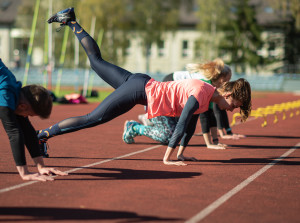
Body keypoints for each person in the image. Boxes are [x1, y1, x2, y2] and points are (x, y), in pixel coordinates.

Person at [38, 7, 251, 166]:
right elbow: (182, 124)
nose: (233, 109)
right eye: (235, 104)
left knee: (96, 62)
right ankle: (42, 135)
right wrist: (168, 158)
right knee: (93, 118)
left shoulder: (206, 98)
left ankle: (71, 20)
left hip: (141, 82)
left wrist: (181, 154)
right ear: (228, 93)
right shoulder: (201, 93)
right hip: (139, 90)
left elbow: (189, 128)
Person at [123, 59, 232, 159]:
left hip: (170, 100)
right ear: (221, 78)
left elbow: (207, 116)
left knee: (176, 129)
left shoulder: (211, 90)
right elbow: (203, 118)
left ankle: (152, 119)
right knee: (169, 136)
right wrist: (209, 144)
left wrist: (215, 141)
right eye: (227, 79)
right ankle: (134, 127)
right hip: (159, 99)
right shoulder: (204, 88)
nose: (228, 82)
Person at [0, 59, 67, 181]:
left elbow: (27, 130)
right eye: (29, 115)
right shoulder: (5, 95)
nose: (26, 118)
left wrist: (41, 166)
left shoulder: (15, 92)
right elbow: (14, 133)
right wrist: (24, 173)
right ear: (23, 106)